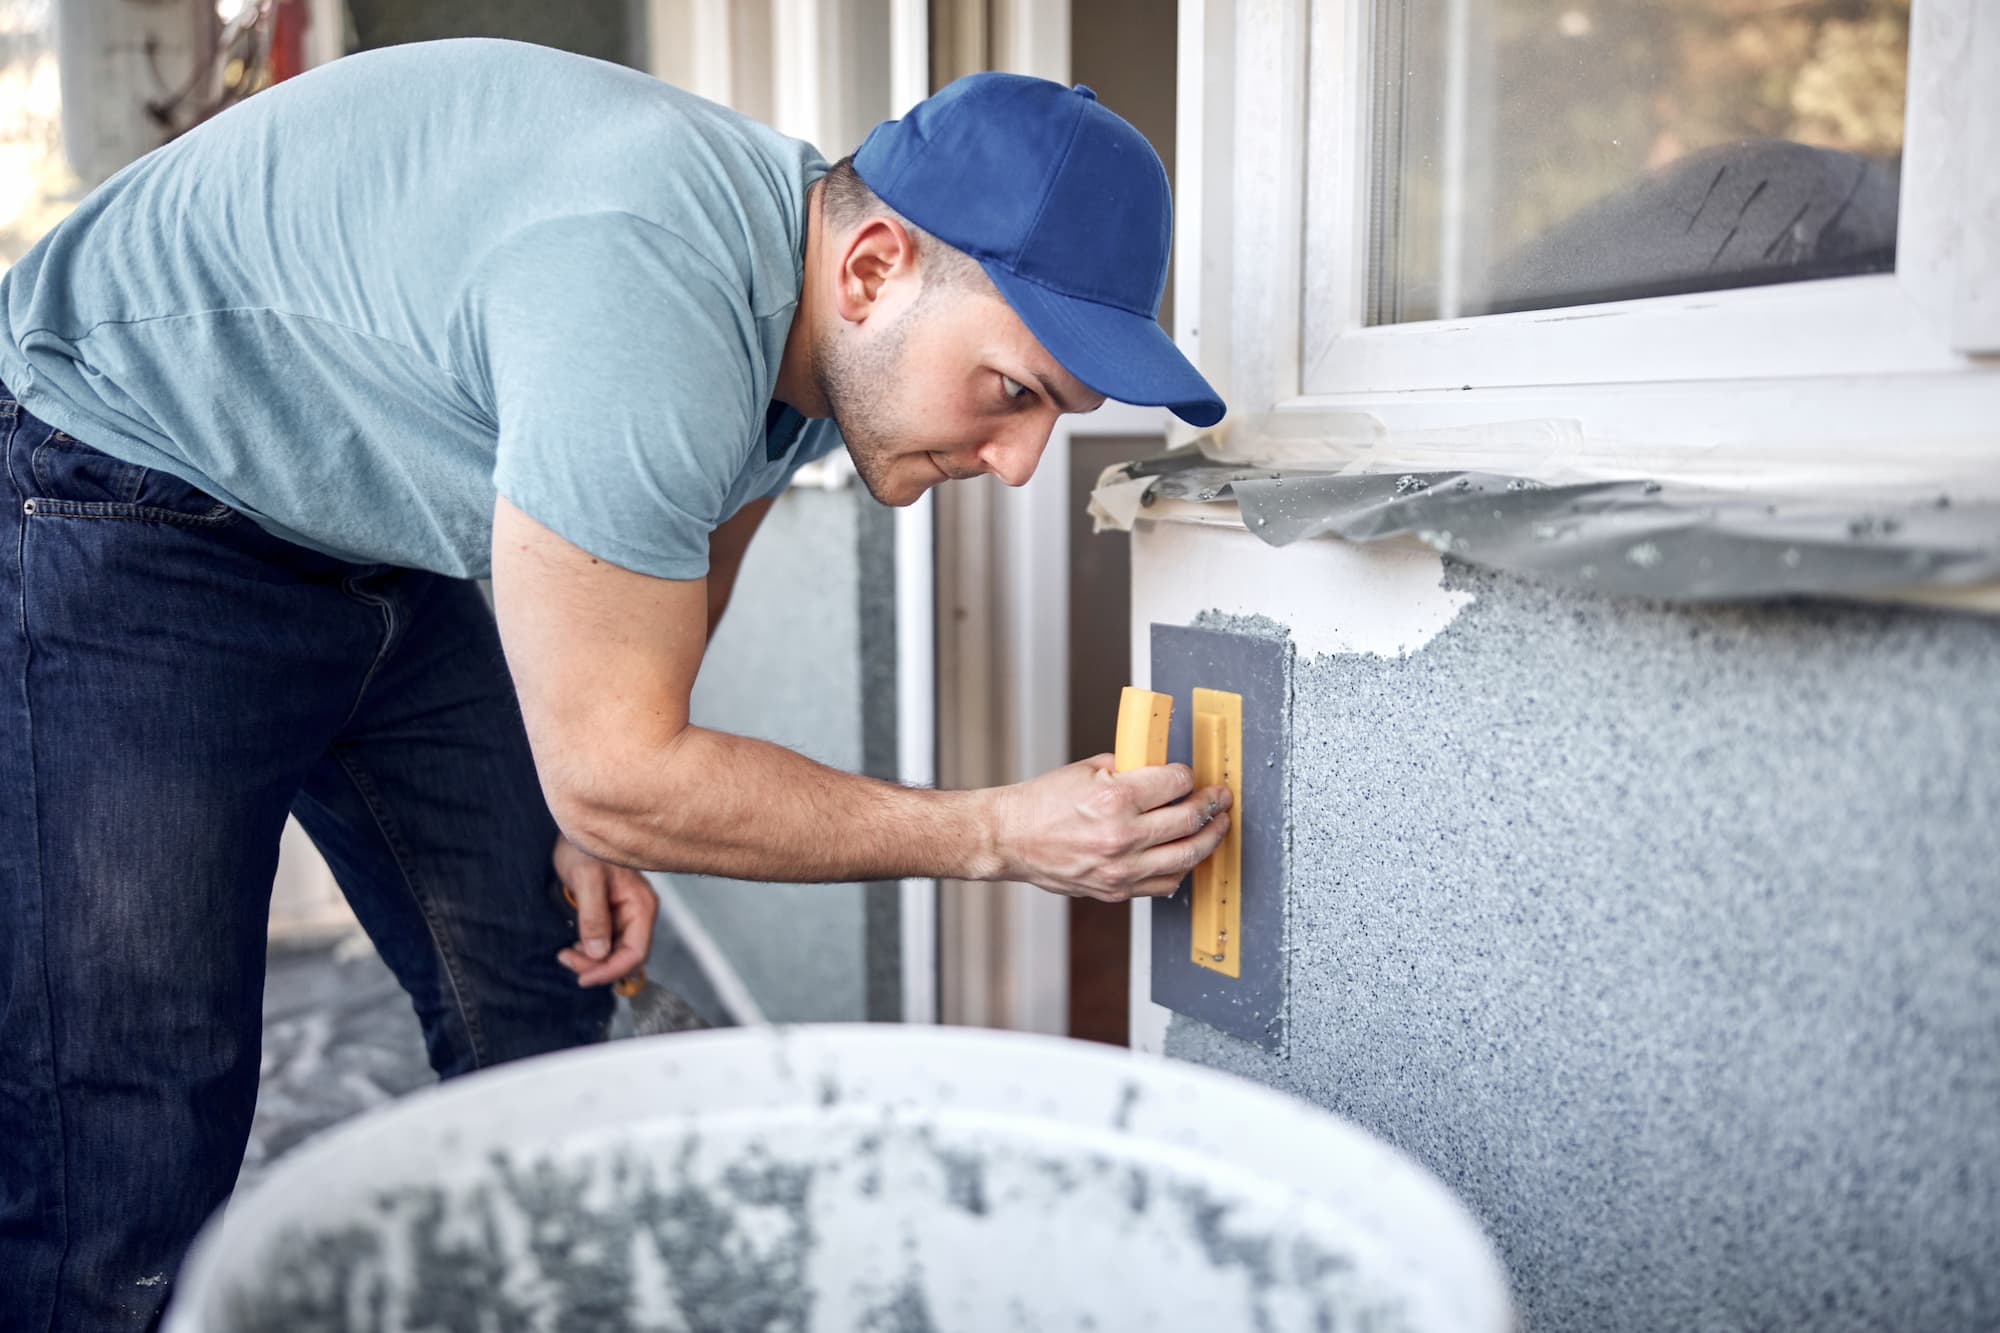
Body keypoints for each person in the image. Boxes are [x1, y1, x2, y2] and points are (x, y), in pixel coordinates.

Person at [0, 38, 1230, 1330]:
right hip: (119, 489)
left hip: (356, 530)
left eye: (1053, 415)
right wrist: (992, 833)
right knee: (126, 1124)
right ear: (876, 269)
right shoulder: (647, 292)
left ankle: (567, 1289)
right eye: (1011, 392)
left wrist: (603, 799)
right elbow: (622, 763)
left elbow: (699, 541)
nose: (1024, 460)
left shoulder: (809, 341)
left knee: (546, 968)